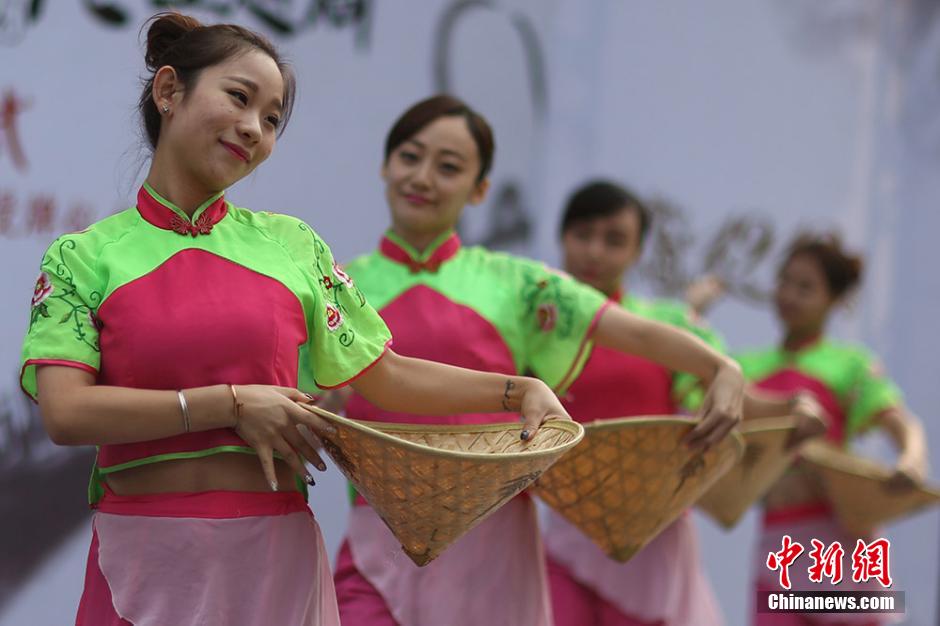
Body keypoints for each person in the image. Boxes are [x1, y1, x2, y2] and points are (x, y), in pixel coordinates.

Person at [20, 15, 576, 626]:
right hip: (142, 556)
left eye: (272, 119)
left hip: (274, 557)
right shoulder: (82, 257)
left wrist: (516, 390)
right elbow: (66, 413)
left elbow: (383, 373)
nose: (253, 128)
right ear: (169, 91)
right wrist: (231, 404)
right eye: (239, 97)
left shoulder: (292, 244)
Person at [330, 96, 747, 626]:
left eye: (450, 167)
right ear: (385, 166)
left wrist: (720, 368)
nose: (423, 177)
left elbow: (627, 327)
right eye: (410, 157)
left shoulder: (519, 284)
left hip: (494, 546)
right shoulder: (339, 283)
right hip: (378, 539)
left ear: (480, 189)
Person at [544, 180, 824, 626]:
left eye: (614, 240)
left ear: (638, 252)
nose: (595, 251)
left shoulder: (665, 325)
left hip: (650, 532)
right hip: (564, 533)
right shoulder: (536, 327)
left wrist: (791, 407)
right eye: (582, 235)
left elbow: (728, 393)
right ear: (561, 238)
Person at [735, 233, 928, 626]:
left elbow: (901, 422)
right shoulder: (744, 367)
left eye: (805, 287)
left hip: (839, 543)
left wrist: (911, 463)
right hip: (779, 542)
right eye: (785, 281)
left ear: (835, 300)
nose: (788, 294)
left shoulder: (850, 365)